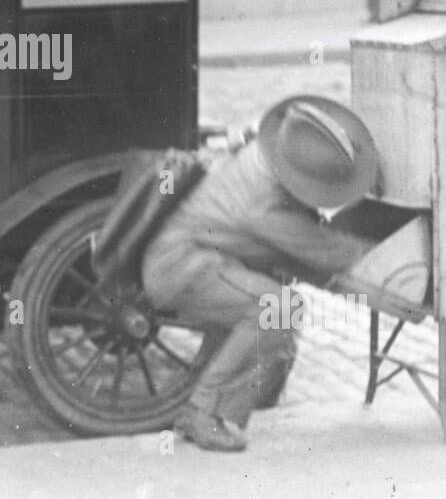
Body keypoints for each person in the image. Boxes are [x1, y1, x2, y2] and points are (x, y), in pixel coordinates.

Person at [141, 96, 382, 452]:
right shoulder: (264, 206)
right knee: (279, 309)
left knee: (272, 310)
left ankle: (213, 400)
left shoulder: (262, 154)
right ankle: (202, 411)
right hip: (183, 267)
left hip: (198, 259)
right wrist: (378, 252)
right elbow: (325, 251)